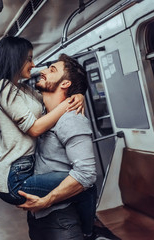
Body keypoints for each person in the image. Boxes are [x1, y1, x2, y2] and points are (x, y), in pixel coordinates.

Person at [0, 36, 84, 218]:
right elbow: (34, 129)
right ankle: (90, 233)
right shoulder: (4, 87)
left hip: (25, 168)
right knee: (82, 182)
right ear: (15, 59)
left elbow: (51, 104)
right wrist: (67, 104)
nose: (33, 64)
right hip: (13, 177)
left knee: (79, 184)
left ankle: (88, 232)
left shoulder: (23, 89)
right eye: (29, 59)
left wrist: (78, 95)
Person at [17, 53, 97, 239]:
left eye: (52, 70)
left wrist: (46, 201)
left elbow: (86, 174)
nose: (43, 71)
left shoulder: (71, 119)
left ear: (65, 84)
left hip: (61, 220)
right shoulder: (44, 114)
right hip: (39, 217)